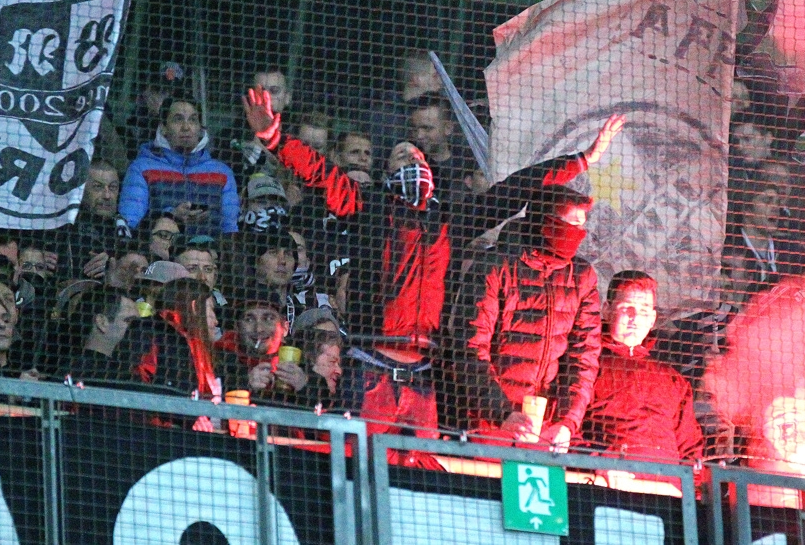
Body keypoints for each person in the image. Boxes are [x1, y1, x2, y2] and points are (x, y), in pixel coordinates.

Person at [244, 88, 450, 443]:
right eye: (401, 158)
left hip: (423, 375)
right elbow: (322, 174)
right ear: (387, 173)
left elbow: (507, 194)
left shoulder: (446, 222)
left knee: (420, 474)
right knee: (352, 458)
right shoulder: (369, 208)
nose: (412, 163)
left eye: (416, 157)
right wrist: (274, 139)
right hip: (371, 368)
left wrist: (571, 160)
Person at [456, 186, 603, 452]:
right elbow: (470, 345)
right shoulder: (496, 265)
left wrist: (568, 422)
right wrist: (501, 413)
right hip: (490, 425)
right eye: (570, 224)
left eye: (581, 226)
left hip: (547, 431)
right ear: (545, 222)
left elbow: (585, 357)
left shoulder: (581, 276)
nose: (577, 234)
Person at [580, 271, 704, 462]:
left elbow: (691, 449)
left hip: (668, 487)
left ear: (653, 319)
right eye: (626, 308)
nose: (635, 318)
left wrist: (691, 489)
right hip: (607, 483)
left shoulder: (672, 380)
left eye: (644, 311)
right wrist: (598, 462)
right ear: (606, 310)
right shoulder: (586, 364)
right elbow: (563, 430)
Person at [119, 95, 240, 237]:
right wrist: (171, 216)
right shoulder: (141, 168)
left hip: (210, 253)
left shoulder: (223, 173)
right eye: (178, 119)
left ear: (200, 128)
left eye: (193, 120)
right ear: (163, 128)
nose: (186, 127)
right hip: (159, 254)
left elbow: (230, 229)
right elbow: (129, 226)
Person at [53, 159, 133, 282]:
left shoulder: (122, 227)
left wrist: (111, 264)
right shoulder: (63, 222)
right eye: (97, 187)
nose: (107, 195)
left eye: (112, 187)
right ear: (82, 190)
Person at [62, 288, 140, 382]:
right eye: (128, 320)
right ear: (102, 322)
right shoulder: (111, 378)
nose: (136, 328)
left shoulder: (67, 369)